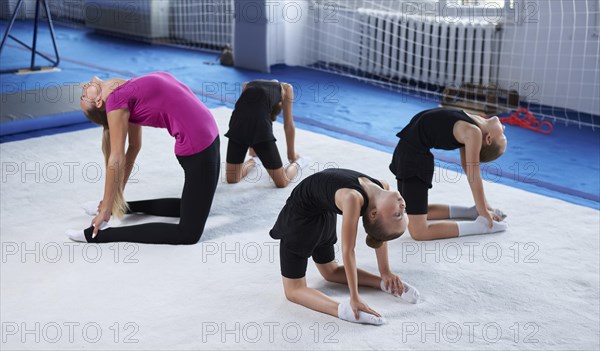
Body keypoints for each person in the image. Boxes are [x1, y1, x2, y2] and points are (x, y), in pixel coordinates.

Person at [66, 72, 220, 244]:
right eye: (83, 96)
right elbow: (117, 157)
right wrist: (106, 209)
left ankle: (125, 208)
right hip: (198, 146)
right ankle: (99, 236)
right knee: (188, 234)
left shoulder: (125, 90)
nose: (83, 87)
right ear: (99, 102)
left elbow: (134, 147)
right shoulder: (116, 101)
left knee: (194, 208)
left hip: (210, 136)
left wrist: (114, 199)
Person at [270, 168, 420, 326]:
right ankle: (379, 286)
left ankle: (344, 309)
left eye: (398, 215)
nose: (403, 208)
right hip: (323, 215)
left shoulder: (353, 198)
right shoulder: (382, 186)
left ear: (373, 214)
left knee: (293, 290)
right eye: (403, 213)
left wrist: (358, 293)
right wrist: (381, 274)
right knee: (330, 271)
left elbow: (349, 251)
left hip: (302, 220)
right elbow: (375, 236)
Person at [389, 107, 509, 241]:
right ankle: (471, 212)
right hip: (408, 152)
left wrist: (484, 210)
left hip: (413, 157)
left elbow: (473, 172)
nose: (504, 128)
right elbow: (467, 167)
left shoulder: (474, 132)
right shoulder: (475, 124)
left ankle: (482, 226)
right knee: (412, 211)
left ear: (488, 139)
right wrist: (483, 208)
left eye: (503, 136)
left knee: (419, 232)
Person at [225, 79, 307, 188]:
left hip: (241, 124)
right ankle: (255, 160)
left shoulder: (247, 84)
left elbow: (252, 113)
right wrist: (291, 154)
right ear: (279, 104)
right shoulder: (287, 88)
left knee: (281, 182)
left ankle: (299, 163)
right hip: (238, 125)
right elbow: (288, 124)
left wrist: (252, 147)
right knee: (232, 179)